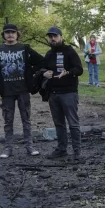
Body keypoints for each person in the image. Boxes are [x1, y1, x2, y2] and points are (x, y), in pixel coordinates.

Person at [0, 23, 45, 158]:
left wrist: (31, 71)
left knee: (26, 119)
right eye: (7, 32)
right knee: (8, 121)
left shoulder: (24, 48)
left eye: (12, 32)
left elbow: (41, 61)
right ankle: (8, 148)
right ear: (3, 35)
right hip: (6, 92)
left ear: (17, 34)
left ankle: (29, 147)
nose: (10, 35)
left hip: (23, 90)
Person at [37, 27, 83, 160]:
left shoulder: (69, 51)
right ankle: (62, 149)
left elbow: (79, 69)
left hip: (69, 92)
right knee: (59, 123)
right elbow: (42, 69)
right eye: (50, 36)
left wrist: (68, 72)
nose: (53, 38)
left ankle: (77, 151)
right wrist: (44, 73)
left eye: (55, 36)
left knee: (73, 123)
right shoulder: (49, 54)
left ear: (61, 37)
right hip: (53, 94)